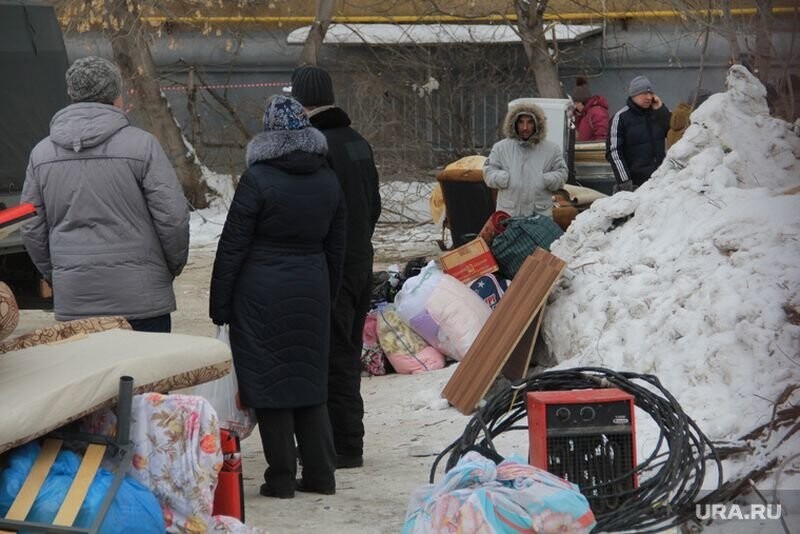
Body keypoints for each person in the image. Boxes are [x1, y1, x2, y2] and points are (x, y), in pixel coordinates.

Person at [209, 95, 346, 499]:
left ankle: (282, 478)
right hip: (312, 287)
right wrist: (328, 294)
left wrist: (221, 304)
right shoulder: (328, 177)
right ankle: (321, 474)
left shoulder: (257, 179)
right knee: (309, 382)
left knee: (270, 384)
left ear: (269, 132)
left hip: (260, 292)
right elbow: (336, 247)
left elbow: (233, 245)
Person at [20, 56, 189, 332]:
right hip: (141, 295)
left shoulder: (42, 154)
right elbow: (173, 217)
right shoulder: (142, 146)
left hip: (76, 298)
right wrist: (169, 267)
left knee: (90, 375)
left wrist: (58, 274)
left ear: (72, 94)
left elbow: (31, 225)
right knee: (146, 373)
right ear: (115, 95)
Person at [291, 65, 381, 470]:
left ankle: (339, 445)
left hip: (331, 264)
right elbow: (373, 203)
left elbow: (313, 210)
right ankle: (349, 441)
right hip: (361, 259)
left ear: (299, 100)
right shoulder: (358, 142)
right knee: (346, 352)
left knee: (328, 356)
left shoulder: (316, 147)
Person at [483, 100, 568, 218]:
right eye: (521, 122)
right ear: (514, 123)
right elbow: (488, 173)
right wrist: (505, 178)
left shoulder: (552, 149)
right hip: (508, 216)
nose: (525, 127)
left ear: (537, 124)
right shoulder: (500, 148)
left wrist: (546, 180)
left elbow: (562, 174)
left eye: (530, 123)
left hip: (540, 217)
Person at [606, 75, 671, 192]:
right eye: (644, 93)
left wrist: (661, 109)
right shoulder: (621, 118)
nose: (649, 97)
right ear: (634, 95)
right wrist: (625, 181)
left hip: (662, 181)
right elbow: (614, 152)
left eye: (651, 93)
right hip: (635, 183)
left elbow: (673, 131)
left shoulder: (659, 113)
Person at [572, 75, 609, 142]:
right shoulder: (585, 113)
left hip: (593, 150)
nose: (575, 106)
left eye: (576, 103)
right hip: (587, 149)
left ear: (581, 102)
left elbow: (602, 136)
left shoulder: (597, 113)